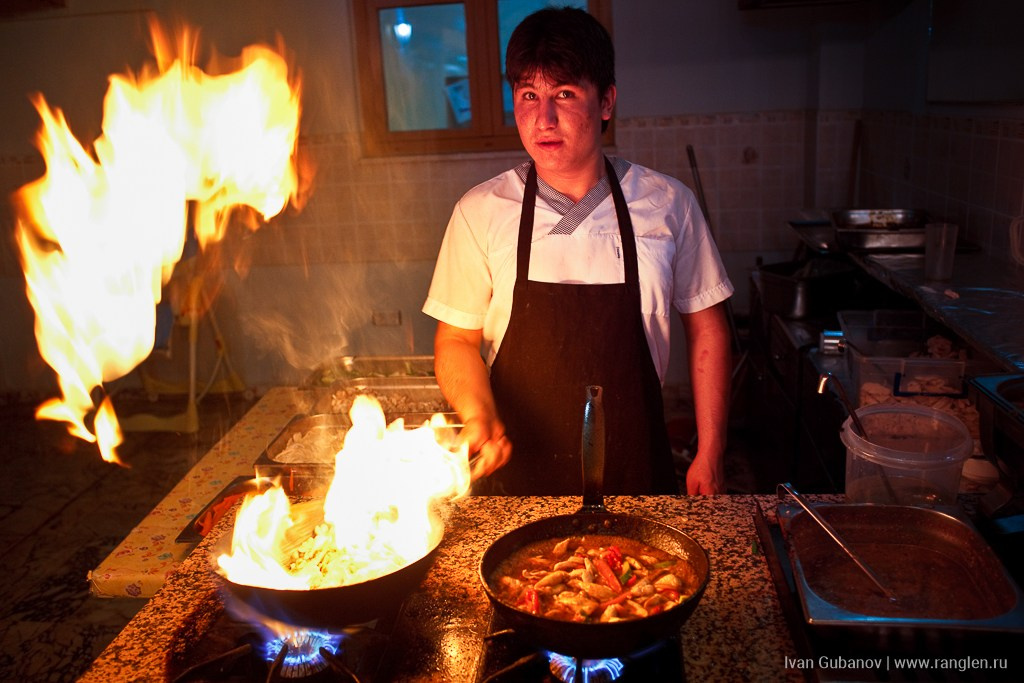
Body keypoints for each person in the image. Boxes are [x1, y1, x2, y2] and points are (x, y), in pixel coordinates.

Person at [422, 6, 733, 495]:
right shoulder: (480, 210)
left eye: (564, 94)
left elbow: (707, 325)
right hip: (515, 487)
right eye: (529, 95)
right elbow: (457, 340)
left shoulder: (667, 204)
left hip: (637, 477)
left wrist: (710, 451)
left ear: (606, 101)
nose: (543, 118)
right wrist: (478, 414)